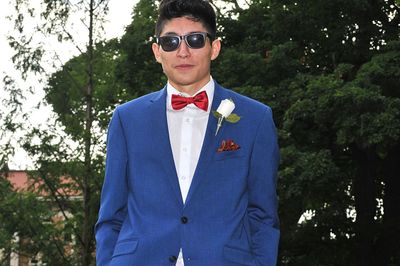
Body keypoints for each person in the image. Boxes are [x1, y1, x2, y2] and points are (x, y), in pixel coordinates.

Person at [95, 0, 280, 265]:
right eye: (171, 42)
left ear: (213, 48)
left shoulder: (255, 119)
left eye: (194, 40)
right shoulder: (126, 119)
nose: (183, 51)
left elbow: (263, 216)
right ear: (157, 52)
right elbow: (111, 214)